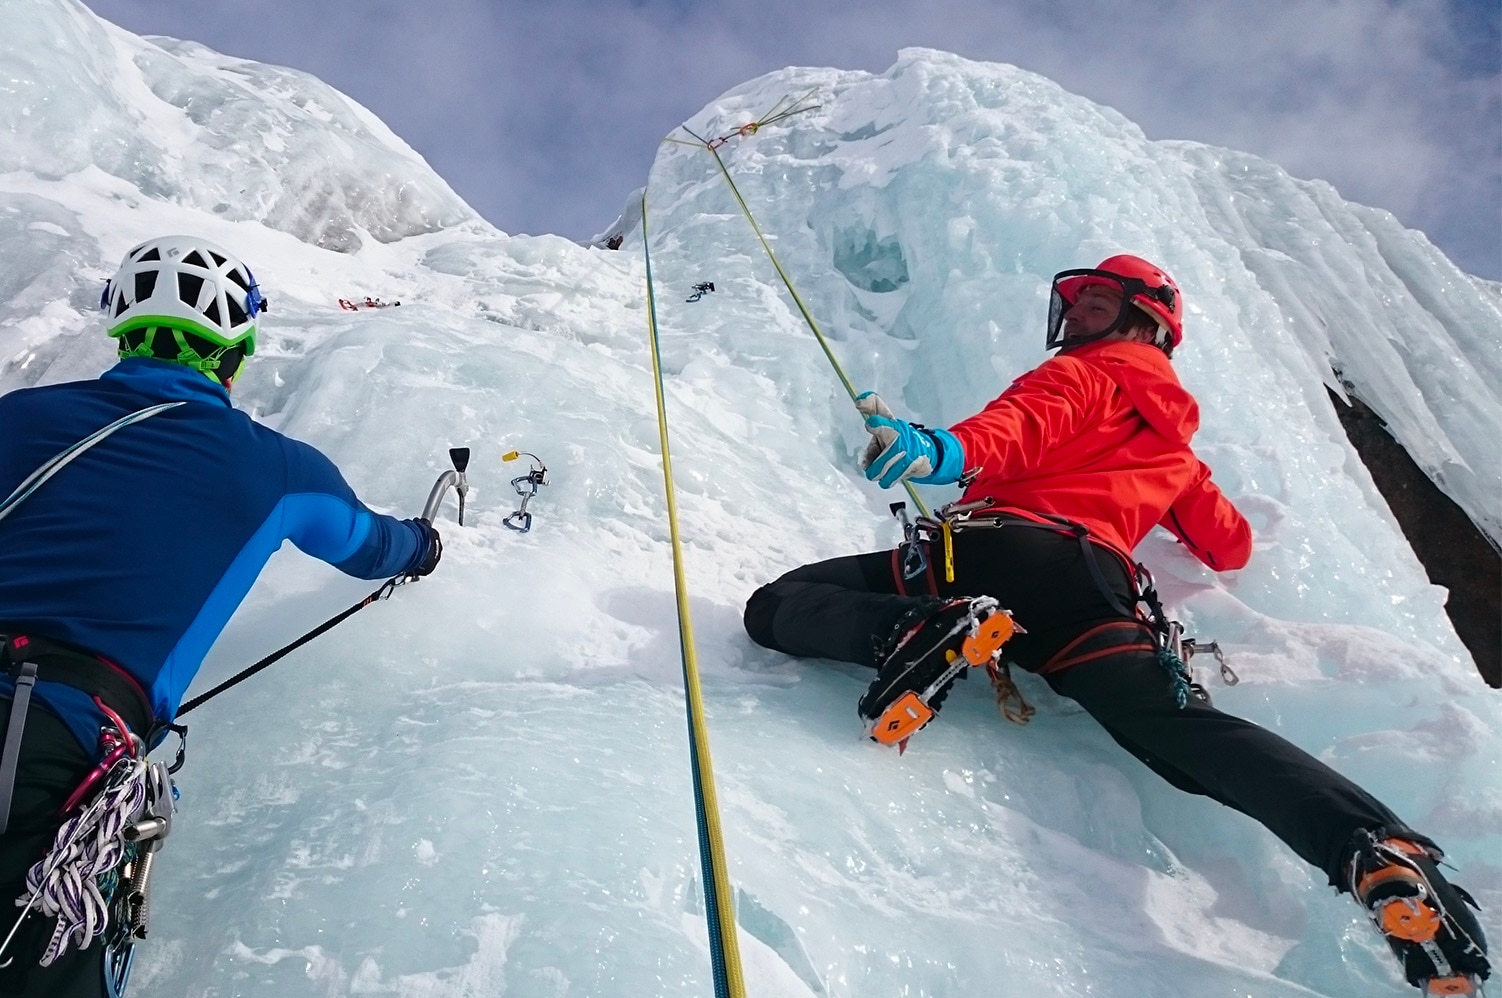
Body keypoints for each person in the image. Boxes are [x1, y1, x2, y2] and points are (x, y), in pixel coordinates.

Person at [743, 254, 1490, 995]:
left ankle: (912, 633)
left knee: (777, 602)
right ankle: (1373, 848)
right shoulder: (1175, 448)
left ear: (1145, 319)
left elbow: (1021, 425)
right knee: (1181, 733)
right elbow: (1229, 544)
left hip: (986, 551)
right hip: (1089, 591)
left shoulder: (1083, 372)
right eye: (1076, 303)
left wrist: (942, 450)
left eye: (1097, 303)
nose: (1076, 316)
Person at [0, 235, 443, 996]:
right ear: (236, 353)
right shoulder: (272, 466)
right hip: (56, 738)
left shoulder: (17, 416)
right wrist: (426, 546)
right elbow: (370, 545)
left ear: (121, 330)